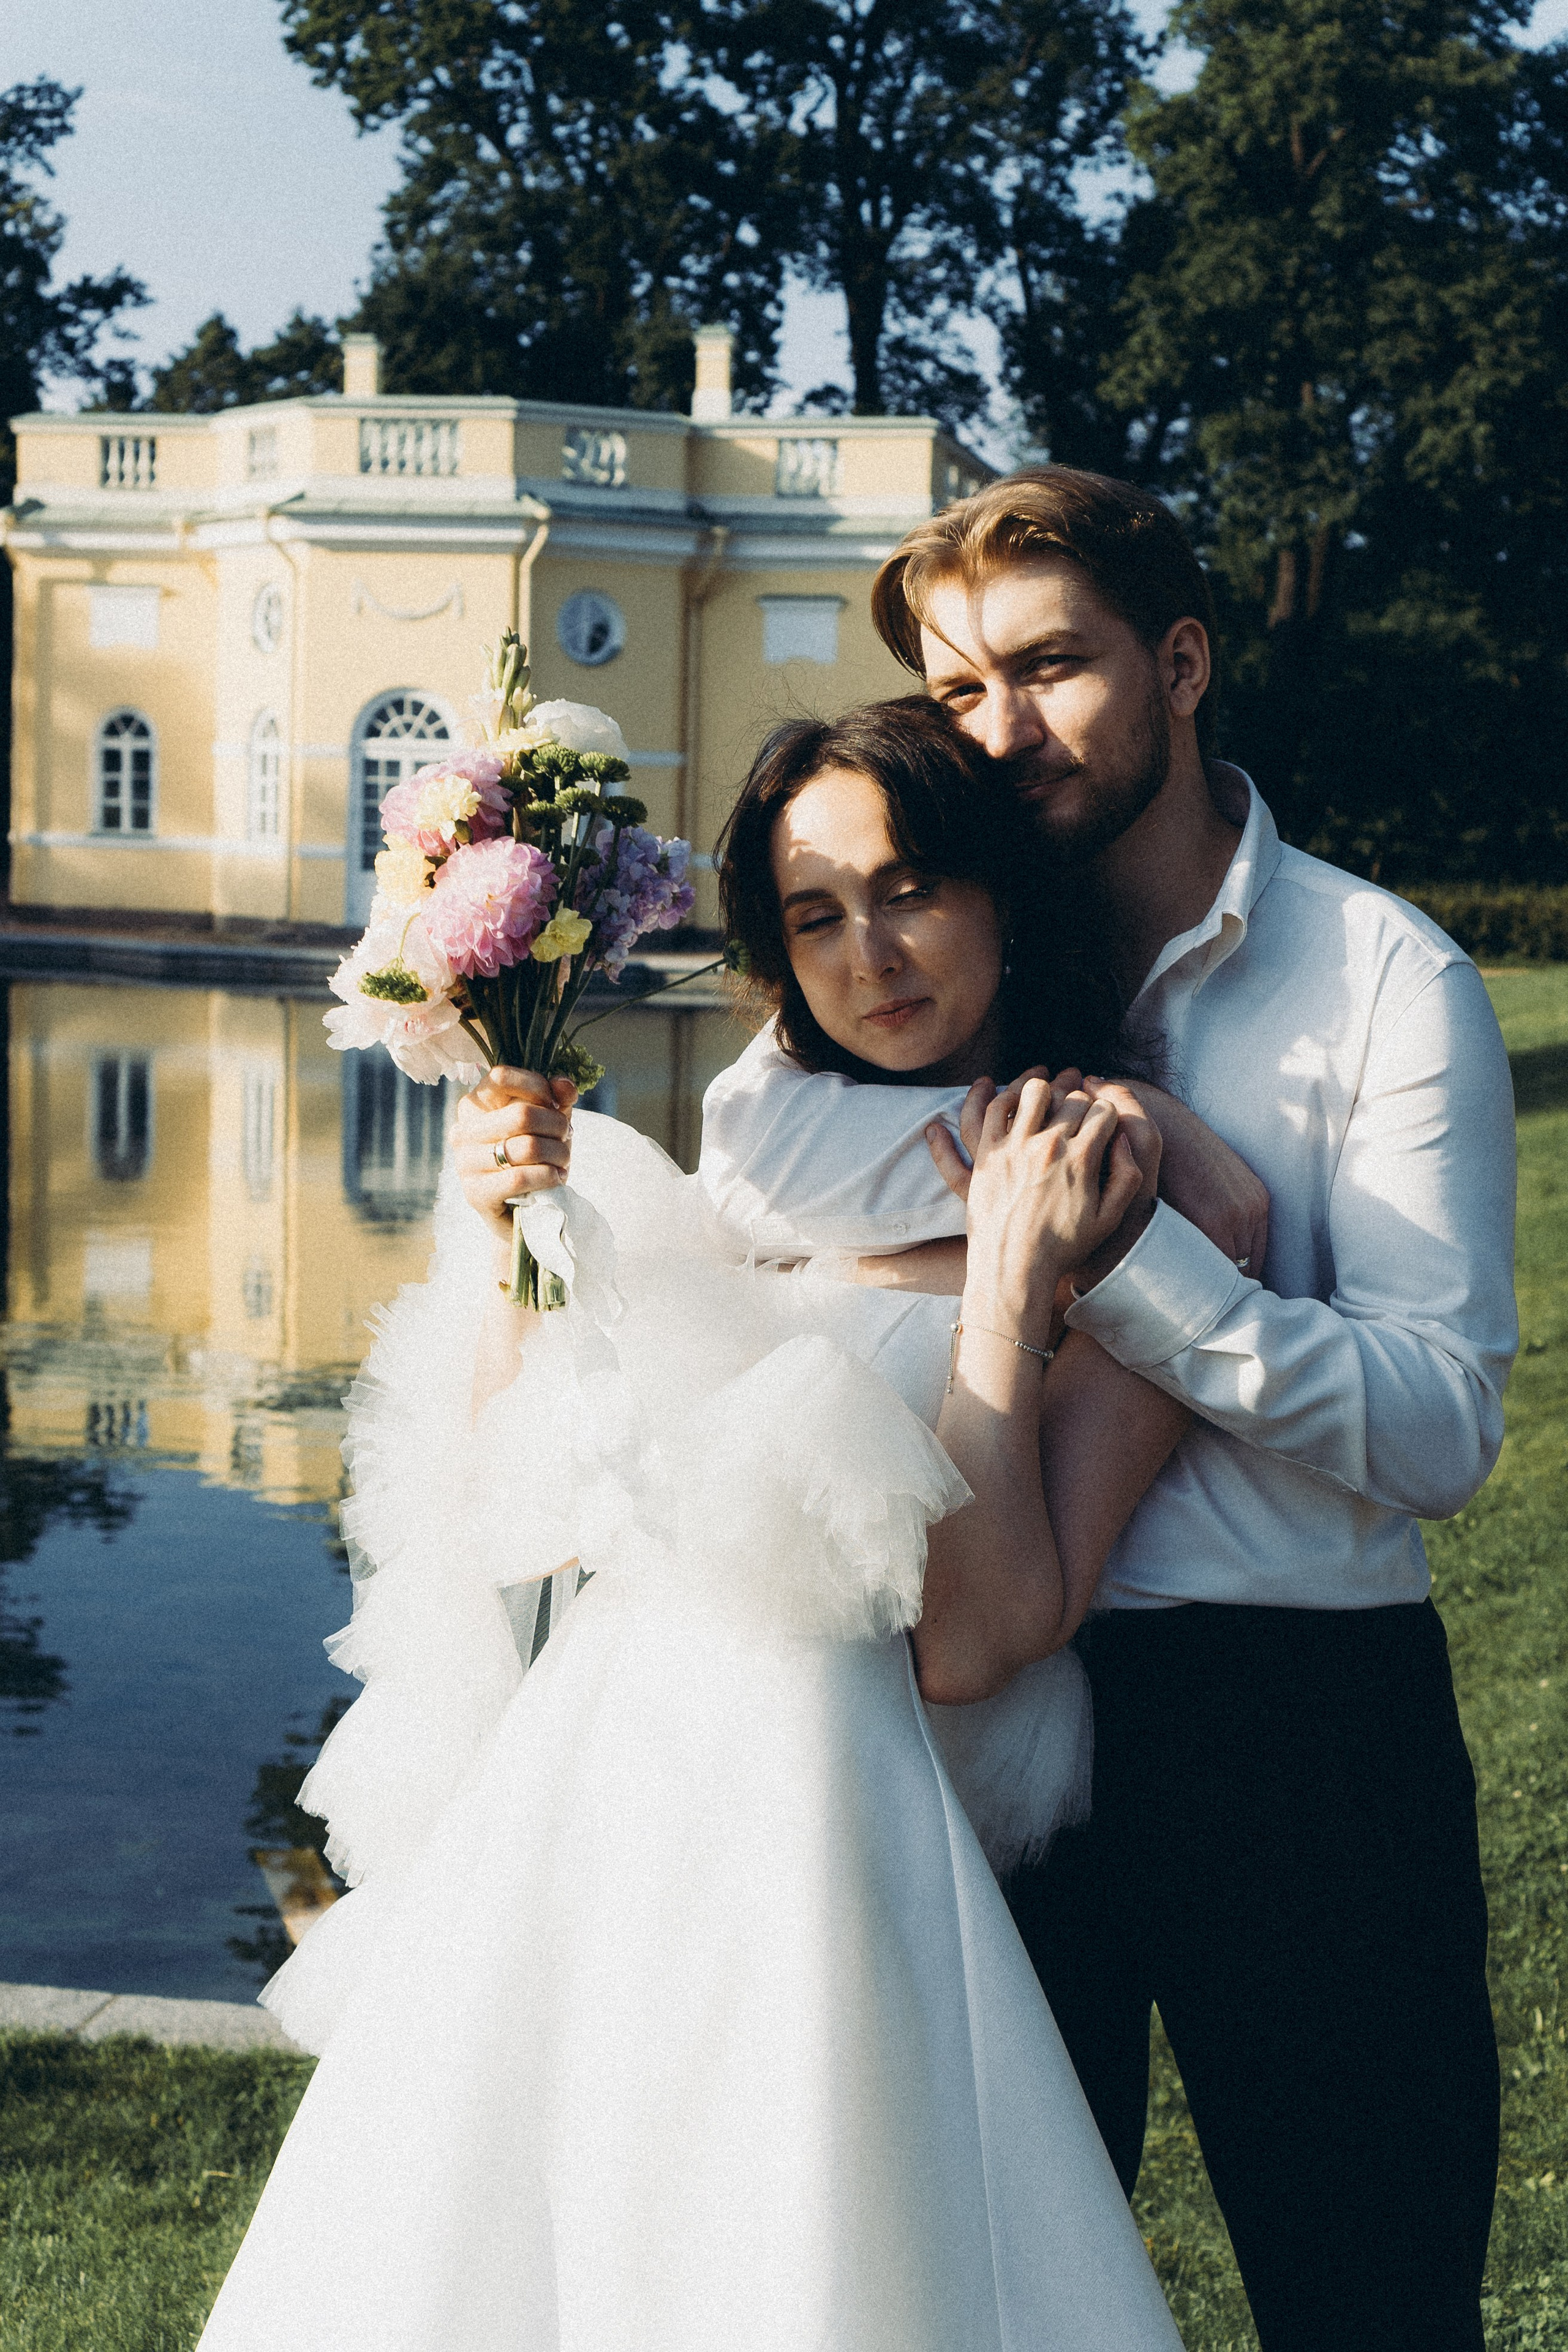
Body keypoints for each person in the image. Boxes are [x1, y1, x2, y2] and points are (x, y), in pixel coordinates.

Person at [197, 701, 1238, 2352]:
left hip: (826, 1863)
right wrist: (507, 1243)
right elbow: (523, 1520)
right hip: (595, 1816)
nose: (868, 955)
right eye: (814, 916)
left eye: (909, 891)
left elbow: (972, 1643)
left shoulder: (1121, 1192)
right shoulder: (753, 1172)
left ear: (1000, 898)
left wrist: (1008, 1287)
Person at [699, 467, 1519, 2352]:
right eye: (962, 685)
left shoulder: (1389, 978)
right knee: (986, 2300)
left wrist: (1130, 1252)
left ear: (1183, 658)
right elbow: (750, 1154)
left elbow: (1441, 1429)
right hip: (988, 1753)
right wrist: (1061, 1183)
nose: (1000, 729)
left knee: (1368, 2300)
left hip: (1297, 1733)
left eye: (1051, 668)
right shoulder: (962, 913)